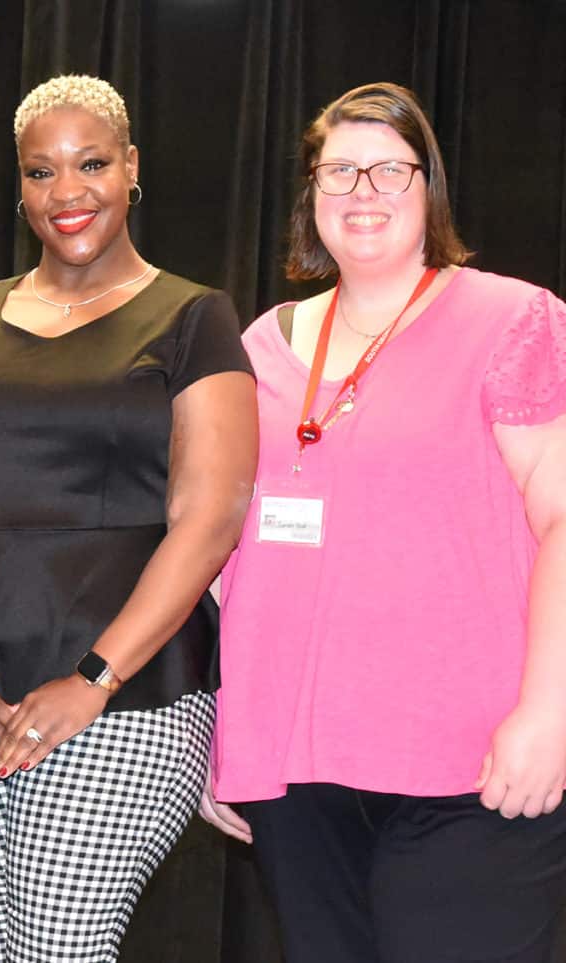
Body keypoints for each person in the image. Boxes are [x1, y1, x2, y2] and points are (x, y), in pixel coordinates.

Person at [0, 74, 257, 961]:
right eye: (41, 172)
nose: (68, 193)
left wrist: (95, 676)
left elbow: (210, 516)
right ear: (18, 184)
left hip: (123, 695)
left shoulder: (193, 316)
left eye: (92, 163)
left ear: (132, 166)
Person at [201, 81, 566, 962]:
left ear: (429, 187)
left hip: (474, 766)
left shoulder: (512, 318)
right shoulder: (258, 345)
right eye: (338, 173)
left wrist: (551, 710)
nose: (362, 193)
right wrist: (225, 733)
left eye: (389, 171)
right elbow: (219, 557)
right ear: (309, 196)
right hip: (297, 767)